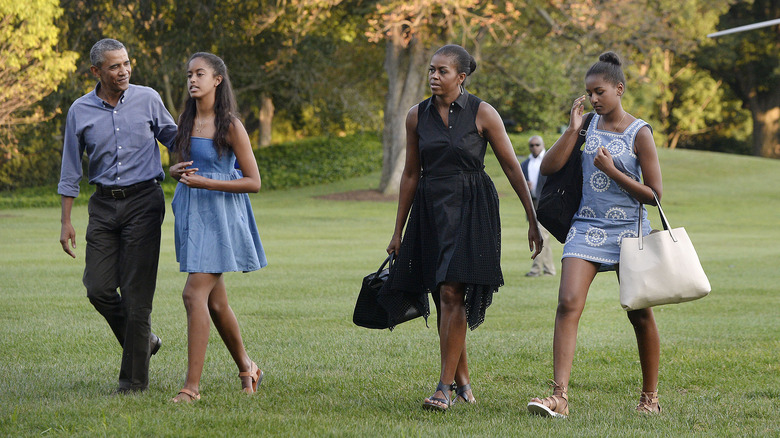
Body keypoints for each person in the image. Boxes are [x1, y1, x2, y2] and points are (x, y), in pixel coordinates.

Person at [379, 44, 543, 412]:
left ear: (461, 77)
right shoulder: (415, 116)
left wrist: (532, 219)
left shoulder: (483, 113)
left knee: (453, 291)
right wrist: (397, 231)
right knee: (443, 297)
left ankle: (444, 387)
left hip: (472, 207)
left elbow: (512, 168)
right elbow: (409, 173)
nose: (434, 76)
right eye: (432, 70)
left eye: (442, 71)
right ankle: (464, 381)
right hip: (430, 209)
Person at [527, 51, 663, 418]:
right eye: (589, 93)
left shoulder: (641, 132)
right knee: (568, 303)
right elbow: (550, 169)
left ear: (619, 89)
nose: (593, 99)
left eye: (600, 91)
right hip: (587, 226)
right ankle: (560, 397)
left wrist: (615, 171)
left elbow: (654, 195)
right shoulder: (586, 125)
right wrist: (572, 130)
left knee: (639, 314)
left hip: (630, 233)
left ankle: (649, 397)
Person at [58, 38, 177, 393]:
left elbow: (175, 138)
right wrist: (65, 220)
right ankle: (145, 342)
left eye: (126, 63)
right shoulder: (79, 110)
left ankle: (133, 384)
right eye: (114, 66)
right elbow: (69, 169)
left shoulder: (149, 98)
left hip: (145, 200)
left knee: (138, 296)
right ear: (96, 71)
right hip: (104, 205)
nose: (123, 70)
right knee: (98, 288)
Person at [167, 52, 267, 403]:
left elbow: (254, 181)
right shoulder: (184, 120)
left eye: (200, 74)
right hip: (192, 216)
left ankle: (191, 388)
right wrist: (175, 172)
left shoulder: (231, 126)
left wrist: (208, 183)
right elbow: (180, 166)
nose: (192, 80)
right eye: (189, 74)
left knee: (193, 294)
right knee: (216, 304)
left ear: (217, 80)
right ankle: (247, 367)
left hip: (221, 219)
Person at [520, 135, 556, 277]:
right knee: (540, 235)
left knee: (542, 234)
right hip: (532, 202)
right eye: (532, 145)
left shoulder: (550, 159)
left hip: (545, 202)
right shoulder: (524, 164)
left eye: (537, 144)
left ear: (542, 145)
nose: (534, 147)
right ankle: (548, 269)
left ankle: (537, 269)